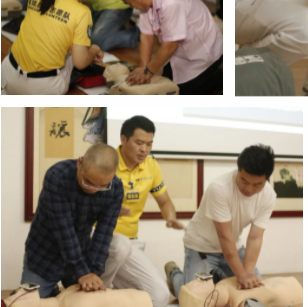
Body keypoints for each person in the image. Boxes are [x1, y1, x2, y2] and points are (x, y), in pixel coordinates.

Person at [165, 145, 277, 293]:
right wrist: (241, 275)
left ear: (266, 179)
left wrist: (247, 275)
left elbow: (255, 238)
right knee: (193, 298)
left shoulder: (268, 196)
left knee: (253, 291)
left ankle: (216, 277)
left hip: (233, 248)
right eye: (244, 181)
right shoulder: (219, 188)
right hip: (201, 247)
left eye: (257, 184)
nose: (249, 189)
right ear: (238, 170)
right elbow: (225, 237)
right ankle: (174, 274)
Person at [20, 144, 124, 298]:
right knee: (26, 302)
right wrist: (83, 272)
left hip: (80, 253)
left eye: (102, 186)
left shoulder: (115, 188)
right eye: (88, 182)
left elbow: (104, 233)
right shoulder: (57, 176)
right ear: (80, 163)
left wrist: (92, 272)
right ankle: (51, 290)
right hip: (44, 255)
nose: (93, 189)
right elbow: (64, 230)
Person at [104, 116, 185, 307]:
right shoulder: (106, 162)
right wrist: (108, 210)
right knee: (120, 246)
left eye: (149, 144)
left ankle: (110, 289)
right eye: (139, 143)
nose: (144, 150)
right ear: (123, 139)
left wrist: (170, 217)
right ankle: (99, 287)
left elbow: (165, 202)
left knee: (160, 296)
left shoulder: (151, 166)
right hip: (100, 240)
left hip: (130, 243)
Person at [115, 0, 223, 95]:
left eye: (128, 2)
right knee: (167, 83)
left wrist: (147, 71)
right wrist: (144, 70)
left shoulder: (171, 1)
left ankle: (223, 77)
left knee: (183, 92)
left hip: (205, 51)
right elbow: (146, 37)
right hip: (180, 52)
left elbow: (170, 45)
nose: (130, 6)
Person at [1, 0, 104, 95]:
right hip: (41, 88)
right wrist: (94, 49)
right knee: (76, 51)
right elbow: (80, 63)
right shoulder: (82, 12)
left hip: (7, 75)